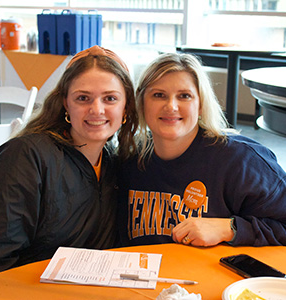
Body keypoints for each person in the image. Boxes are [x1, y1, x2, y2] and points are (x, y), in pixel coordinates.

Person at [0, 46, 138, 276]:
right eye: (83, 98)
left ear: (125, 106)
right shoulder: (26, 157)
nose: (97, 110)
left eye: (110, 98)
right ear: (65, 103)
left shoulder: (116, 162)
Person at [117, 52, 286, 248]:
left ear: (200, 105)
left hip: (214, 276)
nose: (171, 106)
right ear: (142, 102)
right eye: (158, 95)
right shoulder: (127, 158)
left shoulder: (241, 161)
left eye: (184, 96)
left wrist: (230, 228)